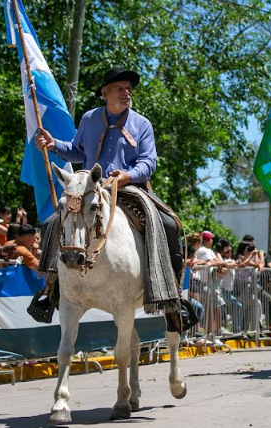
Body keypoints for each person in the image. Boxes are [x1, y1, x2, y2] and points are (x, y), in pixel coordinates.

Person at [34, 67, 194, 330]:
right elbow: (76, 151)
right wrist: (53, 145)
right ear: (105, 93)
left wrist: (128, 176)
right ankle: (51, 291)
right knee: (52, 222)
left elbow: (148, 162)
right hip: (90, 188)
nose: (127, 92)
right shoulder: (89, 118)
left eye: (129, 88)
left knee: (169, 224)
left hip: (128, 188)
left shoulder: (142, 124)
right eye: (120, 88)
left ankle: (173, 300)